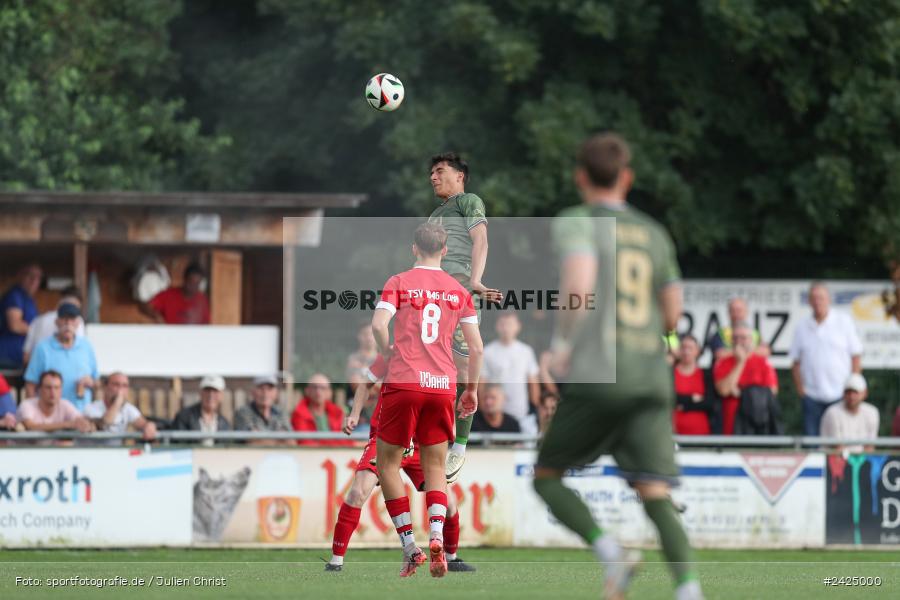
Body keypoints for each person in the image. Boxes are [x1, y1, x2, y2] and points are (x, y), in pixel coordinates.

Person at [535, 133, 703, 600]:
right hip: (652, 376)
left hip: (601, 373)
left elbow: (580, 279)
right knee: (654, 493)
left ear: (580, 177)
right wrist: (660, 339)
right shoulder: (654, 232)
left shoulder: (577, 220)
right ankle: (690, 591)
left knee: (546, 477)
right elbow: (673, 314)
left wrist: (562, 342)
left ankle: (613, 556)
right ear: (627, 177)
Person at [372, 222, 482, 577]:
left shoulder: (399, 282)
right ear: (446, 251)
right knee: (435, 467)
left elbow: (378, 325)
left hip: (405, 382)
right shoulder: (457, 290)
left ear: (414, 248)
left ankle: (409, 546)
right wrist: (473, 389)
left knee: (388, 465)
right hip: (442, 385)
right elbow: (477, 347)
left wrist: (386, 352)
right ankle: (436, 535)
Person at [325, 352, 475, 573]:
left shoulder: (441, 354)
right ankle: (336, 561)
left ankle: (449, 558)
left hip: (420, 442)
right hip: (386, 438)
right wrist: (354, 414)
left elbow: (466, 384)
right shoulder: (394, 352)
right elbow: (365, 385)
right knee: (357, 492)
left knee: (449, 503)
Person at [426, 152, 500, 482]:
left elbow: (480, 238)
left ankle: (460, 444)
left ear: (460, 176)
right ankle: (428, 436)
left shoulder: (467, 201)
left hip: (459, 293)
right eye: (431, 172)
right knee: (426, 362)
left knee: (462, 365)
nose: (433, 176)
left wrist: (475, 281)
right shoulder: (434, 215)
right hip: (431, 295)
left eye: (440, 171)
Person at [789, 282, 863, 436]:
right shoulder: (801, 326)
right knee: (812, 446)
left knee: (840, 444)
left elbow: (856, 356)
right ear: (809, 301)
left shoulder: (844, 322)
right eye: (814, 298)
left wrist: (853, 386)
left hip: (840, 395)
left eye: (821, 298)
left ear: (828, 299)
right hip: (811, 397)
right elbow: (795, 362)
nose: (818, 302)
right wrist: (802, 391)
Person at [24, 303, 99, 412]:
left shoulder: (86, 346)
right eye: (64, 319)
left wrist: (90, 382)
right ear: (57, 322)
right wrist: (36, 413)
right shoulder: (43, 348)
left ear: (78, 323)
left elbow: (97, 381)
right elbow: (30, 385)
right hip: (52, 415)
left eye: (72, 319)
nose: (68, 323)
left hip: (81, 413)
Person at [713, 322, 778, 435]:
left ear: (751, 340)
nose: (739, 341)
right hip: (731, 427)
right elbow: (723, 390)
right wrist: (740, 362)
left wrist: (742, 393)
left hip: (757, 425)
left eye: (743, 338)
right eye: (735, 338)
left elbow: (772, 391)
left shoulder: (763, 363)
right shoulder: (722, 363)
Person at [481, 312, 540, 434]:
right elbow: (482, 384)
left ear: (518, 326)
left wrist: (535, 408)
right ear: (497, 326)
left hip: (522, 414)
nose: (506, 328)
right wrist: (483, 411)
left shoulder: (526, 351)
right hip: (497, 417)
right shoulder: (488, 352)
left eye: (510, 324)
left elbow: (533, 383)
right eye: (503, 324)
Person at [84, 372, 157, 444]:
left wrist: (149, 426)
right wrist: (117, 402)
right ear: (105, 387)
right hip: (91, 453)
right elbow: (104, 423)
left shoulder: (127, 408)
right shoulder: (92, 408)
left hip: (114, 454)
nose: (120, 389)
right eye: (116, 385)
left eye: (124, 386)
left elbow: (142, 423)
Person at [17, 370, 94, 434]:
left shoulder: (65, 404)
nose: (53, 392)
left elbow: (80, 420)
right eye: (48, 387)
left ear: (61, 390)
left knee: (65, 442)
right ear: (39, 389)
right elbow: (30, 426)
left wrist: (85, 424)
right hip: (27, 451)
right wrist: (67, 425)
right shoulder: (27, 404)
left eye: (56, 388)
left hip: (53, 451)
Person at [23, 286, 85, 365]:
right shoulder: (77, 321)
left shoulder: (38, 319)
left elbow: (26, 357)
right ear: (57, 322)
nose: (68, 323)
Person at [820, 373, 880, 453]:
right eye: (848, 392)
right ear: (843, 393)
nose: (851, 396)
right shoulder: (832, 413)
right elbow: (838, 448)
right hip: (833, 460)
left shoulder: (872, 413)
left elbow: (870, 447)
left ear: (865, 393)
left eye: (855, 392)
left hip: (856, 460)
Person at [290, 373, 351, 446]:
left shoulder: (338, 413)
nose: (318, 391)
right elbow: (305, 443)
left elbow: (345, 441)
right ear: (307, 390)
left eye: (323, 388)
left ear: (329, 392)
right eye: (314, 387)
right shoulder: (299, 413)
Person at [0, 263, 42, 368]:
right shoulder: (15, 295)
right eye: (30, 276)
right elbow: (15, 325)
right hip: (8, 353)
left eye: (38, 277)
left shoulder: (29, 299)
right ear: (20, 276)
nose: (34, 281)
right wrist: (39, 332)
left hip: (21, 355)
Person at [141, 262, 210, 325]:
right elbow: (145, 306)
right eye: (191, 282)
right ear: (184, 279)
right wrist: (156, 316)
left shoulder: (201, 299)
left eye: (196, 284)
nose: (193, 287)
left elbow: (206, 324)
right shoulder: (169, 294)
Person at [171, 375, 231, 445]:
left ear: (221, 395)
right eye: (207, 390)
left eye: (215, 391)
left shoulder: (224, 423)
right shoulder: (184, 417)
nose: (211, 395)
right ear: (200, 392)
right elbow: (179, 445)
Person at [234, 375, 292, 444]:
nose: (265, 393)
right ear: (253, 392)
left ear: (276, 392)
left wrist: (260, 438)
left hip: (279, 454)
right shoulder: (243, 412)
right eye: (261, 388)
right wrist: (279, 441)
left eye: (269, 389)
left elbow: (291, 441)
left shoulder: (281, 412)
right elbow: (252, 441)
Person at [673, 334, 713, 435]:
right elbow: (669, 398)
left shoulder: (706, 374)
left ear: (698, 351)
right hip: (673, 432)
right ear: (678, 351)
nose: (686, 352)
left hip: (700, 434)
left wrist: (683, 406)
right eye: (683, 347)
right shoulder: (670, 373)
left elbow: (709, 403)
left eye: (690, 348)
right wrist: (691, 398)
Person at [345, 324, 378, 392]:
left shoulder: (385, 359)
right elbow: (357, 386)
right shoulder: (352, 360)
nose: (369, 337)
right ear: (359, 336)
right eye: (365, 334)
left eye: (372, 333)